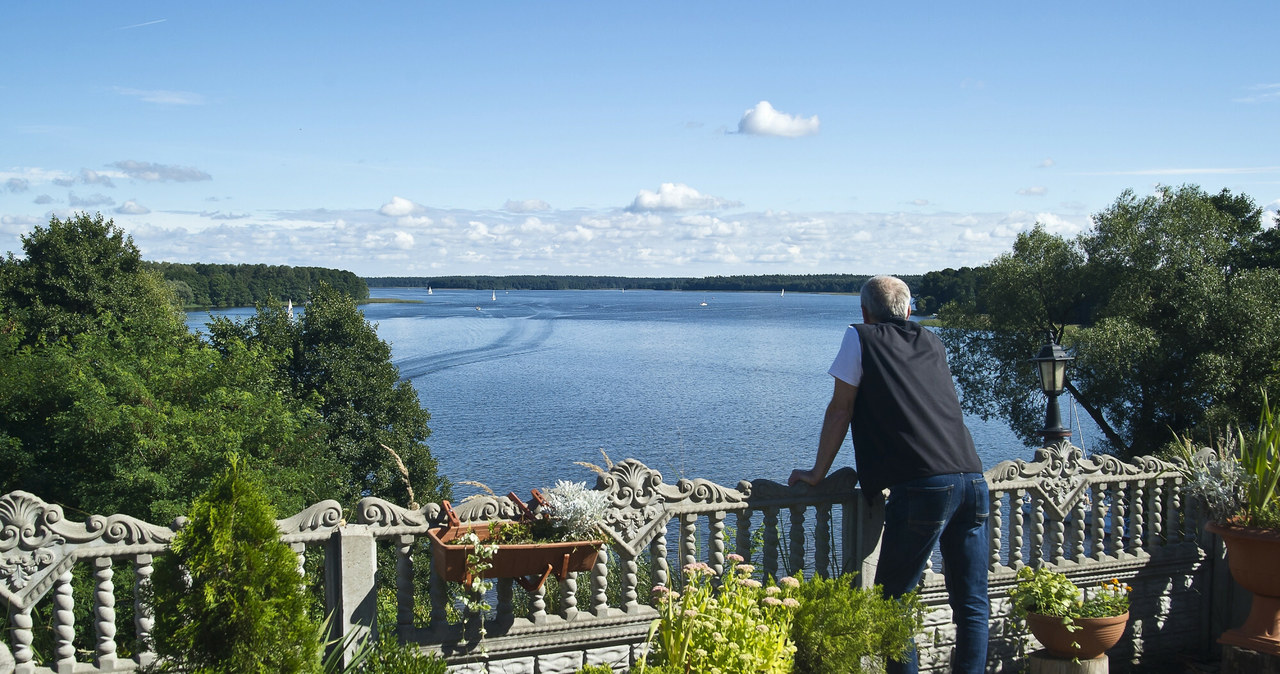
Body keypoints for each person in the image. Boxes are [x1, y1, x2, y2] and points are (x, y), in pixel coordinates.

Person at [789, 275, 988, 674]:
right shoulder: (933, 341)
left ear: (865, 312)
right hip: (973, 478)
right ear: (909, 310)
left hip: (925, 484)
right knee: (972, 605)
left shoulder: (860, 337)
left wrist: (816, 472)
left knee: (892, 604)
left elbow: (840, 410)